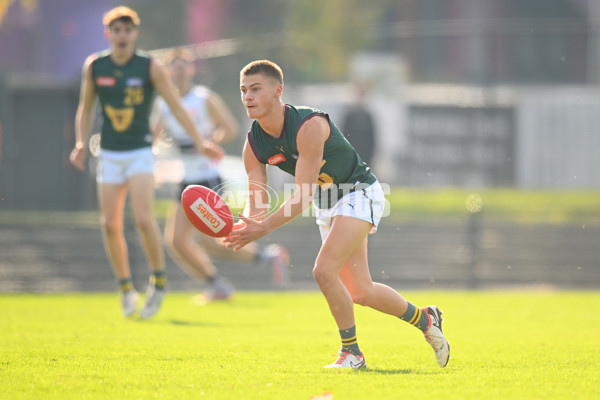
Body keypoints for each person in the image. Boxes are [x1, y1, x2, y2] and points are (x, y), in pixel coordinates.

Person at [225, 60, 450, 369]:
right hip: (329, 201)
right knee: (361, 291)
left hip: (359, 190)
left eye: (255, 89)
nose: (247, 97)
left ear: (278, 91)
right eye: (243, 90)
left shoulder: (309, 125)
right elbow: (257, 200)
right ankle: (425, 319)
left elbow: (302, 194)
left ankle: (352, 354)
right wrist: (245, 224)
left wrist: (261, 229)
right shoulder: (253, 144)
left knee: (323, 270)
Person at [69, 6, 223, 319]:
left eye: (127, 30)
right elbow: (85, 108)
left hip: (140, 152)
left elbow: (177, 107)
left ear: (134, 34)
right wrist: (81, 142)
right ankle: (126, 288)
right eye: (117, 30)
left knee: (142, 219)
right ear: (108, 34)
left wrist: (200, 141)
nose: (122, 36)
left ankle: (158, 282)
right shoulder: (95, 66)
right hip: (110, 153)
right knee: (110, 224)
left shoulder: (150, 67)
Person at [152, 48, 290, 300]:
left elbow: (230, 128)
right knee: (176, 241)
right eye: (175, 67)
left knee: (210, 243)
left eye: (184, 66)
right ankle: (222, 280)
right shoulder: (164, 103)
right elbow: (155, 134)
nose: (180, 72)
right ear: (168, 71)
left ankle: (258, 262)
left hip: (207, 177)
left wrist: (208, 143)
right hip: (186, 179)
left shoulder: (203, 98)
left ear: (191, 70)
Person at [341, 84, 376, 167]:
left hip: (365, 156)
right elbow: (344, 135)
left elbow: (372, 139)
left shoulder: (367, 116)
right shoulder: (349, 115)